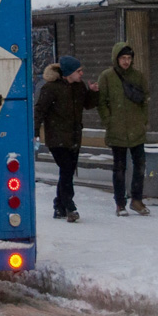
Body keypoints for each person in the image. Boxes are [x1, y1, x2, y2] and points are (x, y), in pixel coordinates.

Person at [33, 55, 98, 222]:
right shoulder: (51, 88)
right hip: (57, 137)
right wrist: (34, 132)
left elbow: (87, 104)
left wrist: (93, 92)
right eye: (78, 71)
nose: (82, 73)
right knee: (67, 169)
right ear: (68, 73)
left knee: (66, 172)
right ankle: (69, 206)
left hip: (74, 136)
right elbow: (39, 110)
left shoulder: (79, 86)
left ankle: (59, 206)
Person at [98, 42, 151, 216]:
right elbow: (102, 101)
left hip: (136, 130)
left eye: (129, 58)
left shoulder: (138, 76)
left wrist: (143, 120)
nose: (126, 61)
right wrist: (109, 121)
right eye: (123, 58)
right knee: (119, 167)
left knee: (140, 165)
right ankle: (120, 203)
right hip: (117, 130)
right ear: (116, 59)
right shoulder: (107, 77)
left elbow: (145, 100)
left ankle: (137, 200)